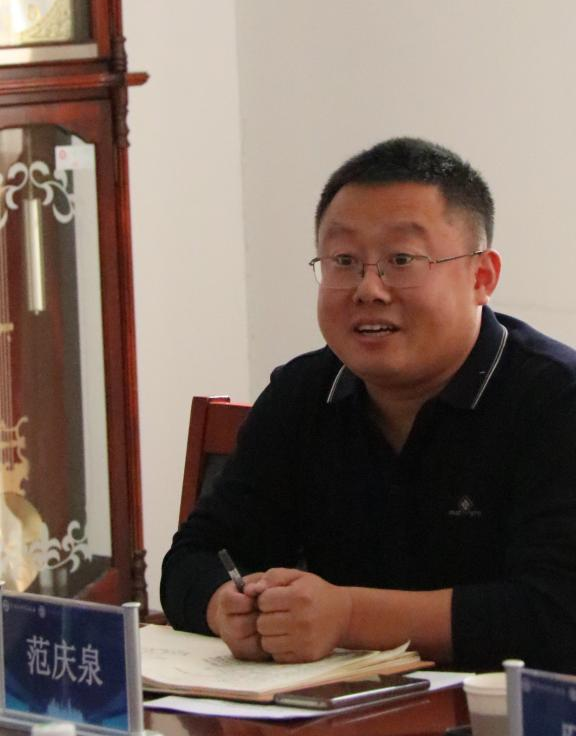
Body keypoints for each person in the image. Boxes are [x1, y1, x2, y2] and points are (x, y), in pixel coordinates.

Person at [161, 137, 576, 673]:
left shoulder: (555, 400)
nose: (368, 289)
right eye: (344, 261)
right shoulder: (302, 392)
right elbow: (194, 557)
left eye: (401, 260)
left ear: (482, 277)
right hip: (336, 711)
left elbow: (556, 614)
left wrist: (348, 616)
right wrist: (226, 608)